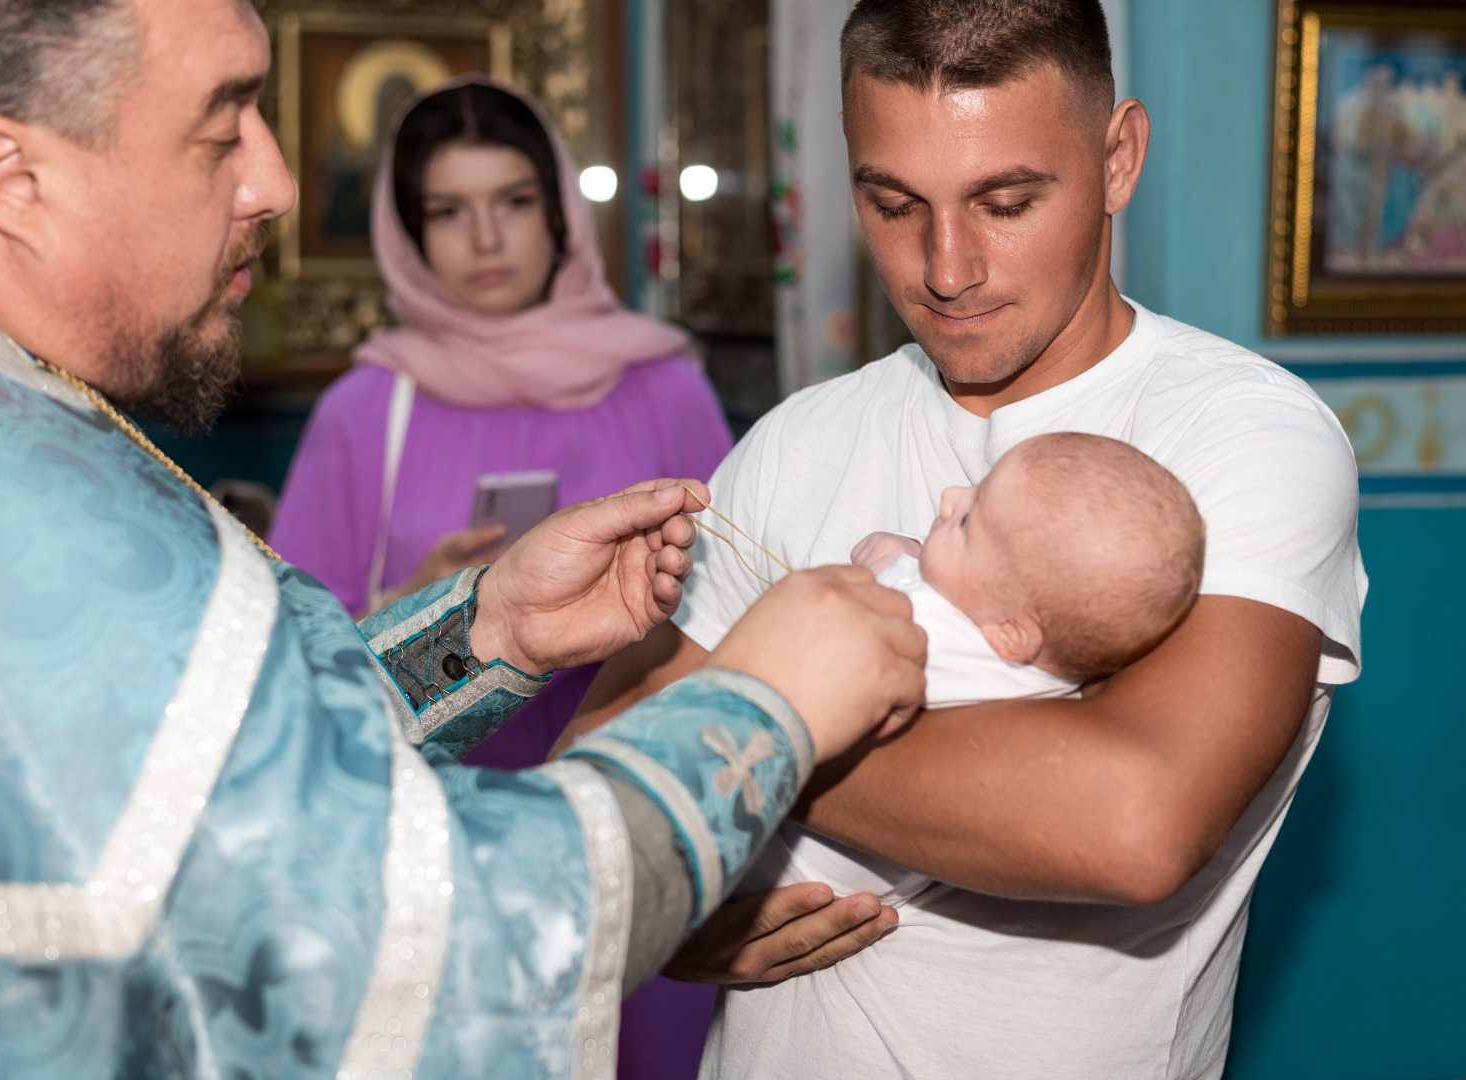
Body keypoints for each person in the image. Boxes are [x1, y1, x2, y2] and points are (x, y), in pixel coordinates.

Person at [0, 3, 927, 1078]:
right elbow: (407, 946)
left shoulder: (15, 417)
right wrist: (764, 702)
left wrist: (489, 631)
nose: (277, 182)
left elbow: (252, 780)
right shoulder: (10, 516)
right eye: (223, 124)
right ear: (12, 179)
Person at [557, 1, 1367, 1077]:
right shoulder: (796, 440)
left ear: (1118, 157)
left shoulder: (1243, 434)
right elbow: (590, 807)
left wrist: (729, 765)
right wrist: (658, 897)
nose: (945, 268)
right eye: (892, 203)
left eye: (1006, 200)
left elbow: (1133, 822)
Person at [270, 75, 732, 774]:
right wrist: (417, 604)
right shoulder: (366, 409)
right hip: (429, 807)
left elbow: (740, 598)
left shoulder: (665, 385)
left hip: (635, 782)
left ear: (559, 214)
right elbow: (287, 642)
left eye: (514, 202)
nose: (486, 239)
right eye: (449, 211)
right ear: (409, 233)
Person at [749, 431, 1206, 911]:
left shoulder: (926, 633)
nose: (950, 498)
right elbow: (959, 593)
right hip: (850, 875)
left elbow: (821, 656)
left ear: (1011, 633)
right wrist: (913, 552)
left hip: (777, 860)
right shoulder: (1038, 662)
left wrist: (891, 570)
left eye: (967, 521)